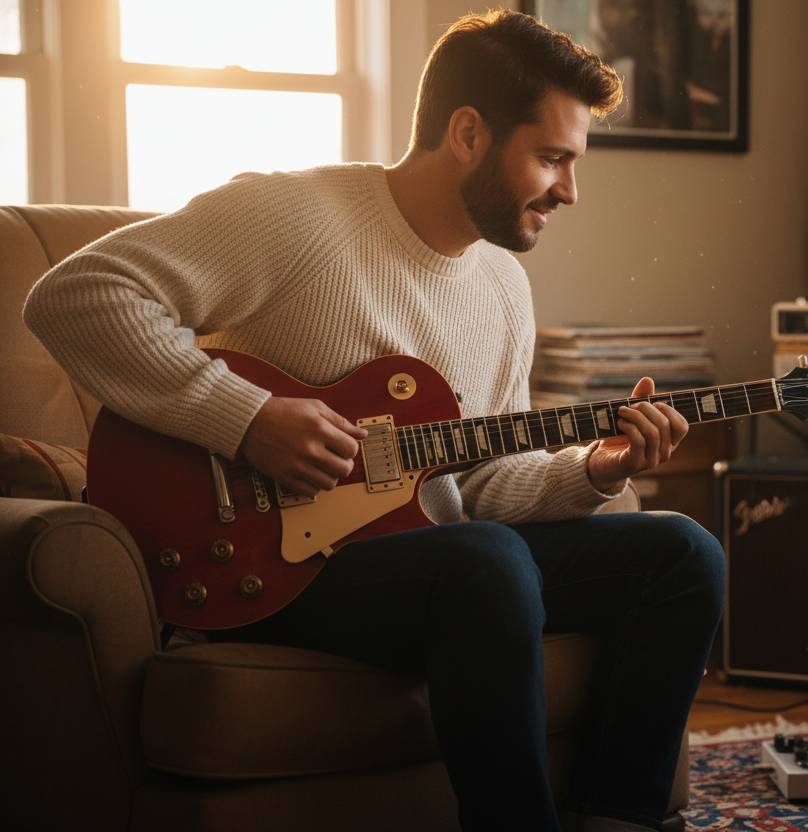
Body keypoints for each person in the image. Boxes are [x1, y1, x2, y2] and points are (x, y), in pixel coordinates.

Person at [23, 10, 725, 832]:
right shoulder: (291, 216)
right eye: (551, 158)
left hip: (432, 562)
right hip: (266, 561)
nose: (569, 190)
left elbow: (480, 483)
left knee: (683, 551)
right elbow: (74, 297)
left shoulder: (502, 286)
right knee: (486, 561)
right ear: (467, 132)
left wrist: (592, 471)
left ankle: (618, 818)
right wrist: (247, 419)